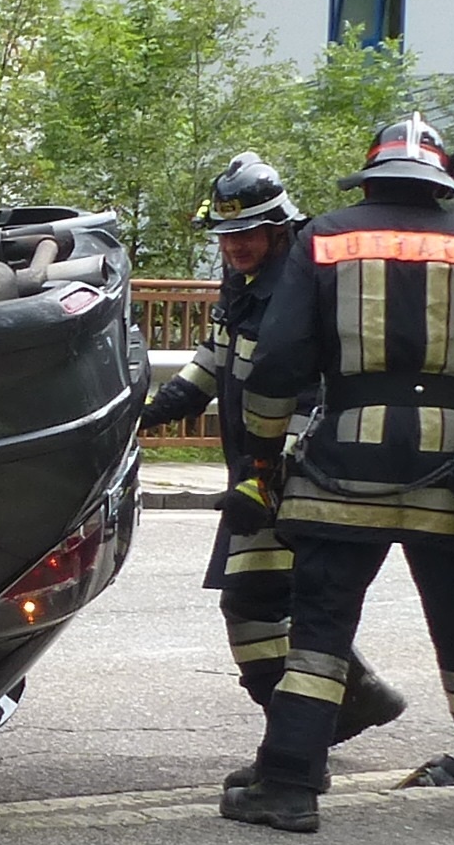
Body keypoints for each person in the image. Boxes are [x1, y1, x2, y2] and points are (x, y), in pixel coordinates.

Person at [232, 115, 454, 833]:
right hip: (452, 471)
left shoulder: (324, 238)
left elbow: (277, 364)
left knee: (316, 633)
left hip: (339, 467)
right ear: (439, 178)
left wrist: (260, 458)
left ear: (369, 174)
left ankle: (286, 788)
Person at [139, 154, 406, 774]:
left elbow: (312, 397)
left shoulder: (300, 286)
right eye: (226, 235)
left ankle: (311, 730)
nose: (234, 246)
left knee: (255, 603)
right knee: (273, 603)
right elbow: (213, 360)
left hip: (294, 477)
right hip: (257, 476)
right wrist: (150, 412)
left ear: (279, 227)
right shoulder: (248, 284)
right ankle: (344, 705)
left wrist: (269, 474)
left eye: (247, 233)